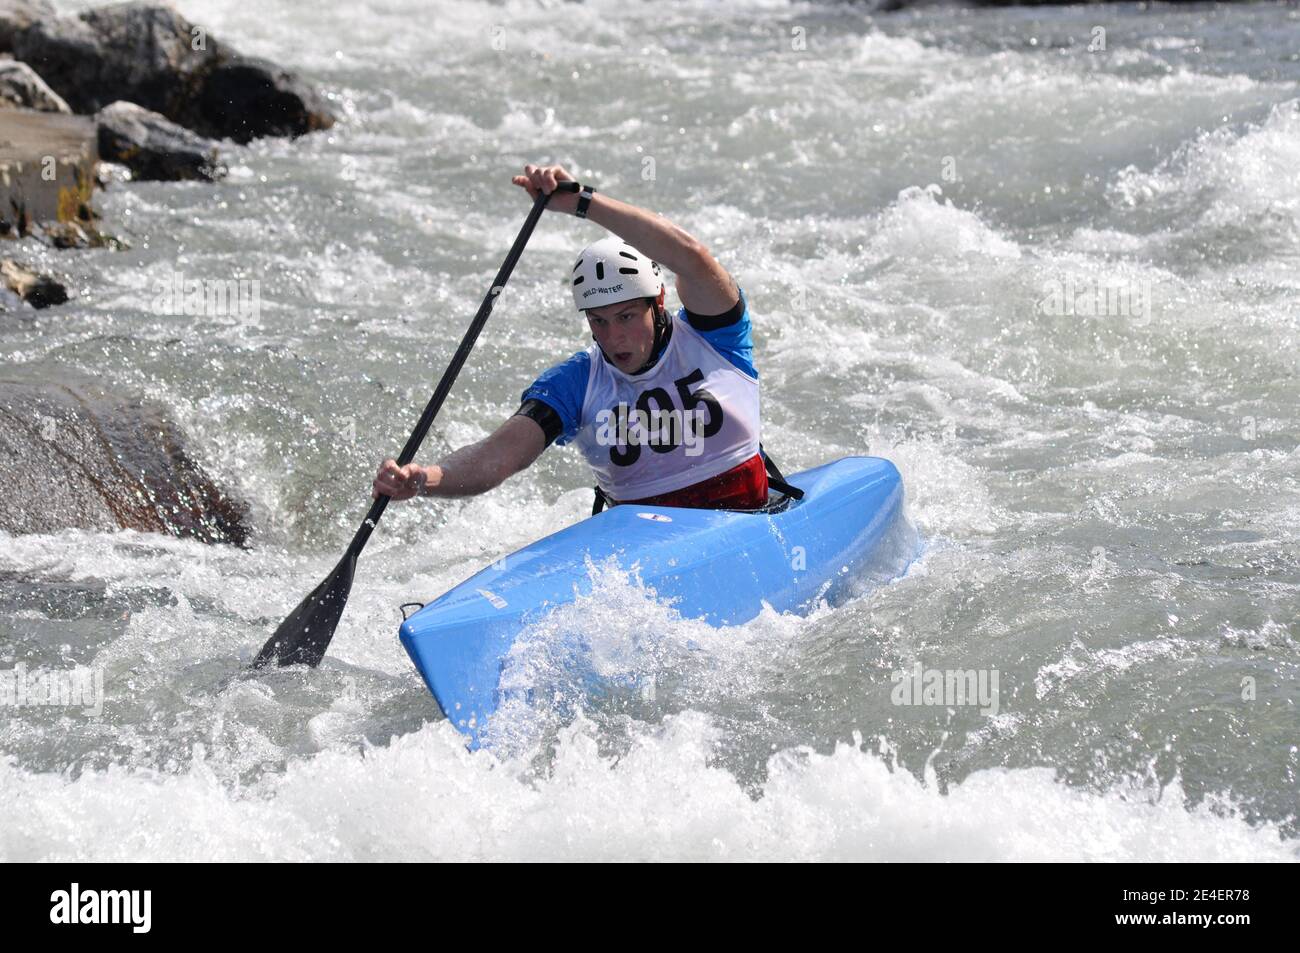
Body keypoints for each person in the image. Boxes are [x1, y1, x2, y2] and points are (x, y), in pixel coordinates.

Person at [373, 162, 770, 511]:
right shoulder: (577, 383)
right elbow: (498, 457)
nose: (614, 338)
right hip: (642, 551)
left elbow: (691, 256)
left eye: (627, 316)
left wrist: (583, 202)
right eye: (598, 321)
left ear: (659, 300)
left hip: (744, 516)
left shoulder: (714, 336)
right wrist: (423, 479)